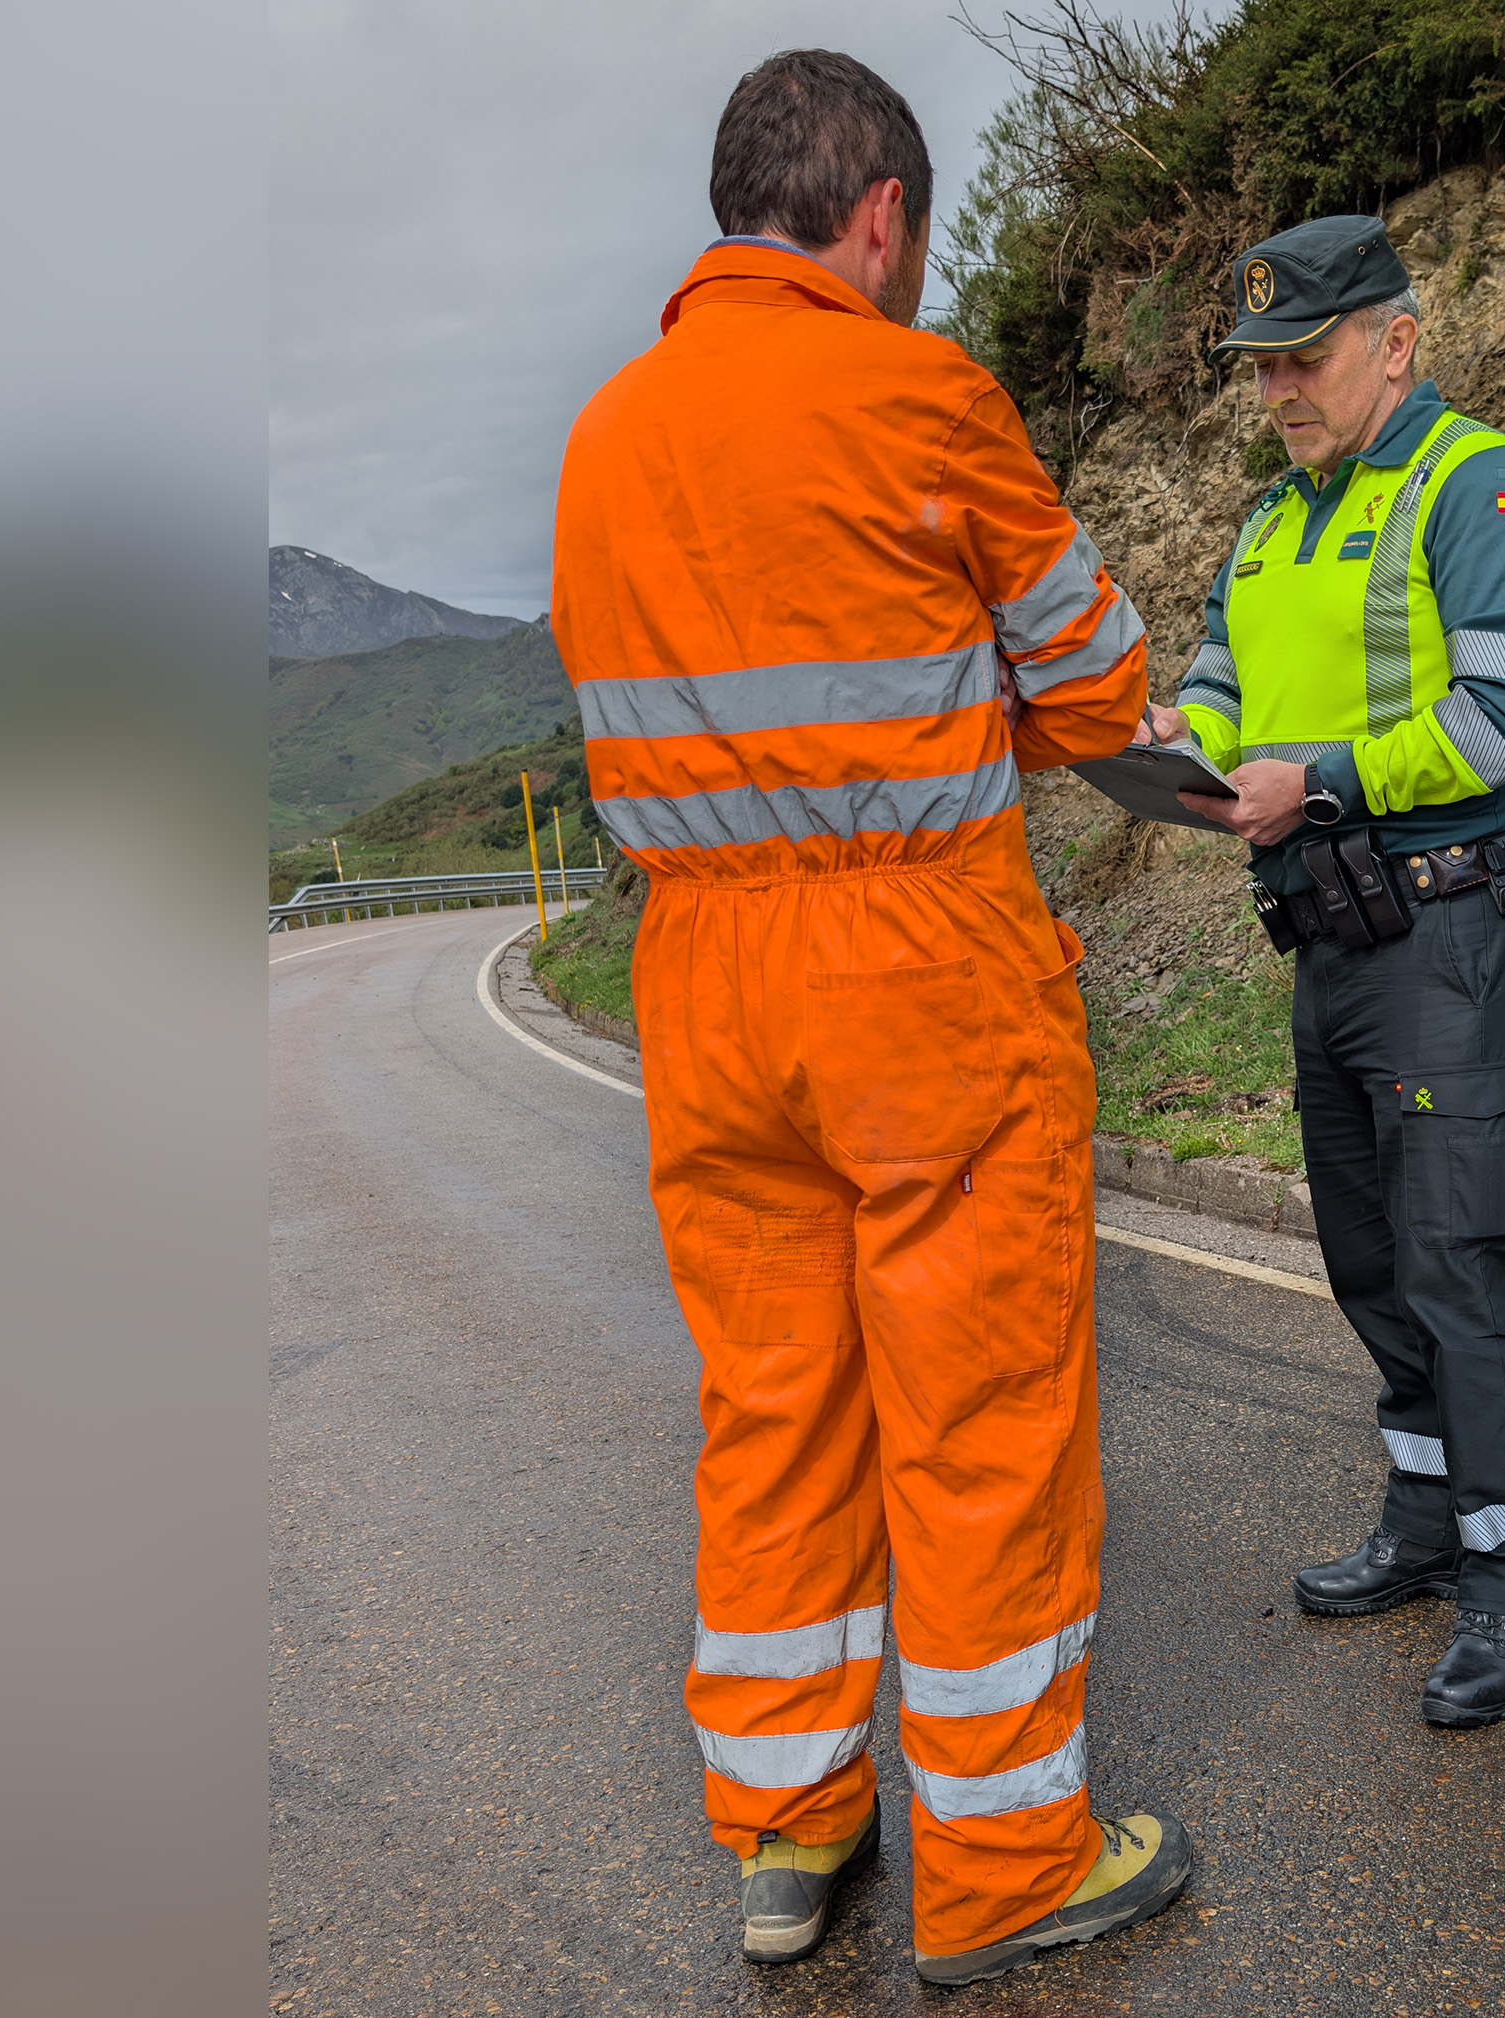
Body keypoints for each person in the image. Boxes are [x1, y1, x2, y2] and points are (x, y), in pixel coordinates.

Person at [549, 48, 1190, 1987]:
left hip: (705, 993)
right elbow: (1091, 686)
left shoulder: (604, 440)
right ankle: (1002, 1867)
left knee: (773, 1412)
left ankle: (791, 1824)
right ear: (881, 216)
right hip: (919, 983)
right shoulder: (918, 391)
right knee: (978, 1418)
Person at [1155, 215, 1505, 1729]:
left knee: (1458, 1268)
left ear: (1397, 342)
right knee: (1367, 1255)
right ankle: (1424, 1520)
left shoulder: (1476, 483)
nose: (1279, 387)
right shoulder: (1273, 524)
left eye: (1306, 355)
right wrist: (1181, 754)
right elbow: (1221, 686)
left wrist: (1319, 782)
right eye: (1259, 364)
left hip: (1456, 932)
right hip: (1331, 938)